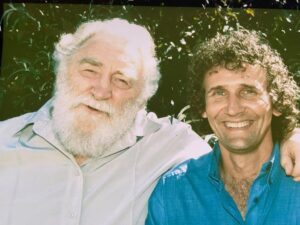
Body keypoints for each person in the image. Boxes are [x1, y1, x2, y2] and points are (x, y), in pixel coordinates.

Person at [0, 19, 298, 225]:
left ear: (141, 97)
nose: (102, 90)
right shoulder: (5, 143)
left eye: (122, 79)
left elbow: (239, 141)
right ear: (62, 69)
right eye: (90, 70)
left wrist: (291, 133)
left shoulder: (168, 146)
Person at [146, 29, 300, 225]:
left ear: (276, 102)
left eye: (248, 91)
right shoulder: (173, 193)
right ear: (203, 106)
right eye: (219, 93)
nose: (233, 108)